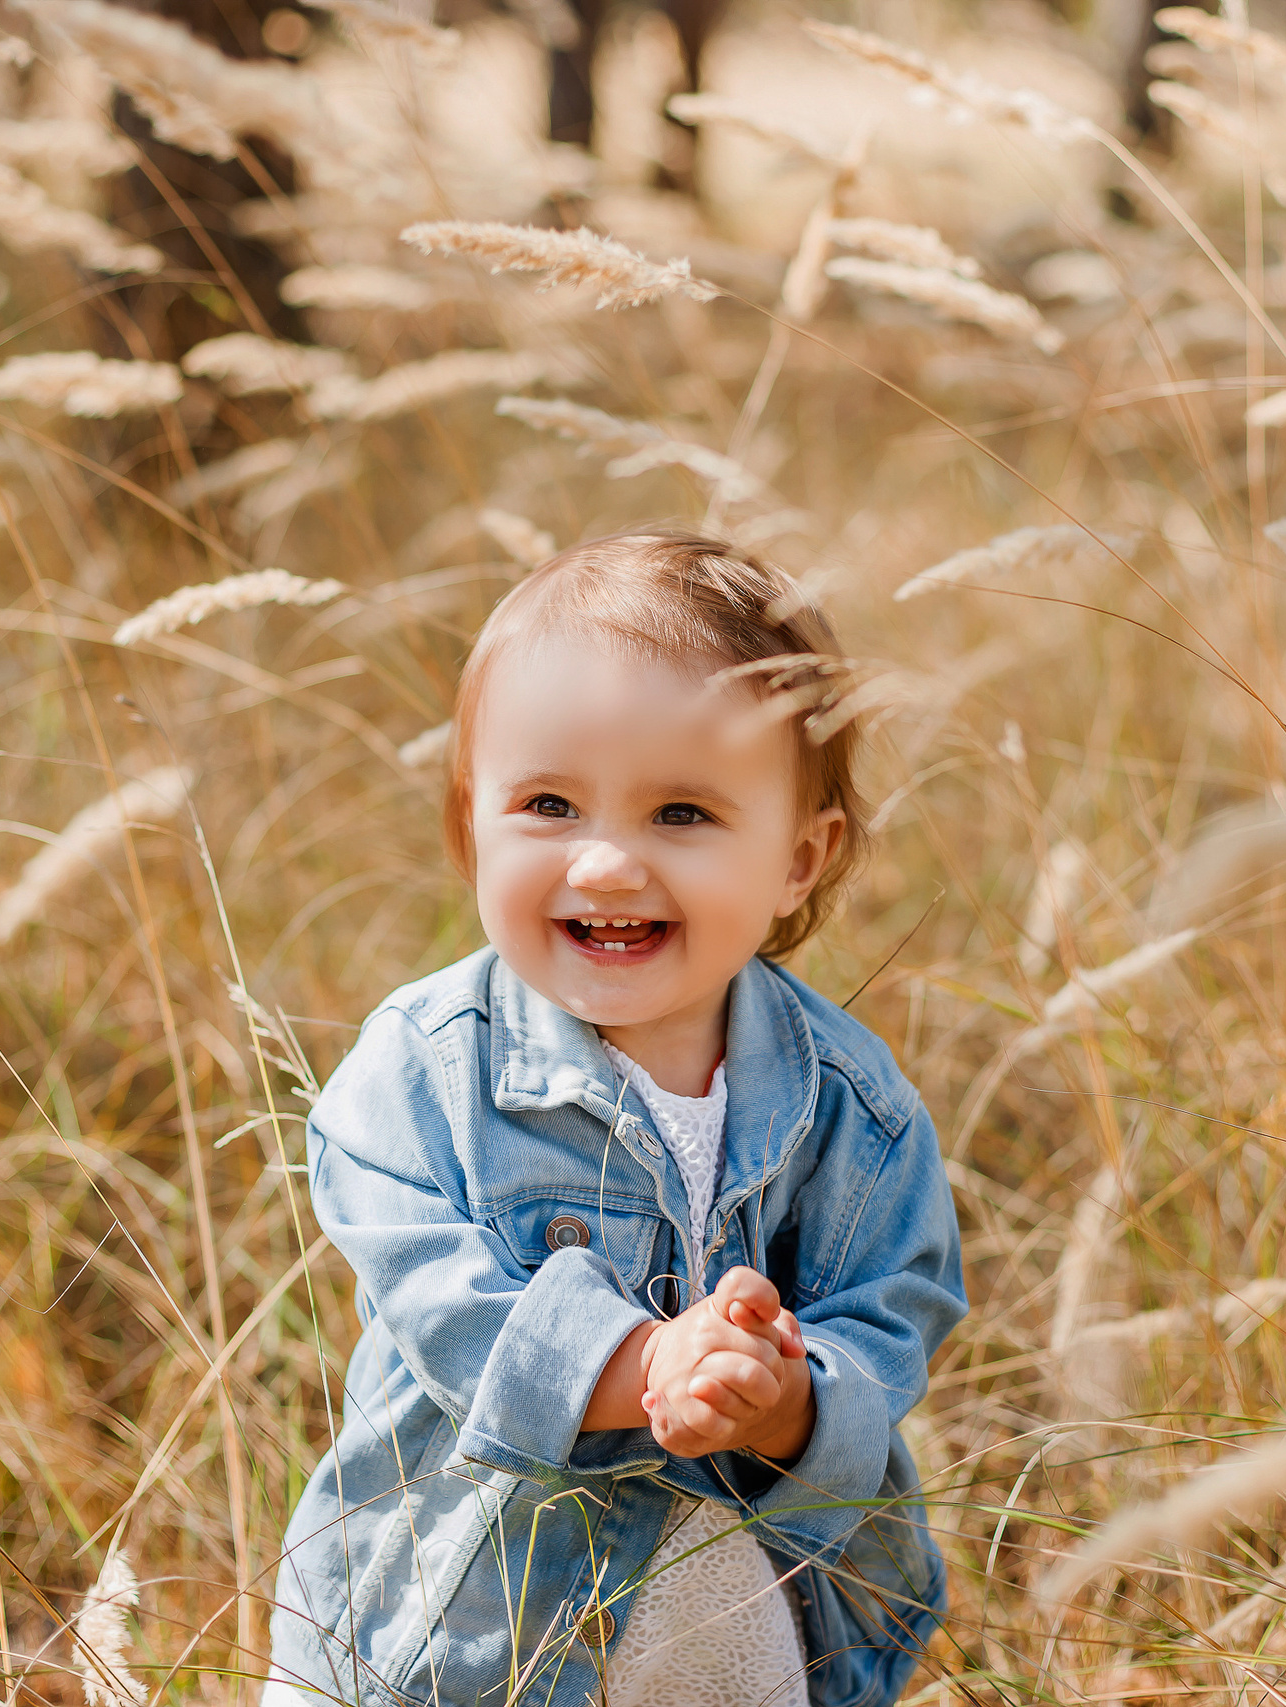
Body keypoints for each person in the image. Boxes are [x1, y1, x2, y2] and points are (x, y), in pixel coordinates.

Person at [262, 530, 968, 1707]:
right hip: (463, 1627)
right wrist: (648, 1362)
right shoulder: (420, 1076)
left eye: (680, 814)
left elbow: (896, 1308)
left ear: (800, 858)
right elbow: (441, 1312)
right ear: (468, 826)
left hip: (736, 1617)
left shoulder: (853, 1105)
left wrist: (786, 1397)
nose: (602, 865)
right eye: (547, 804)